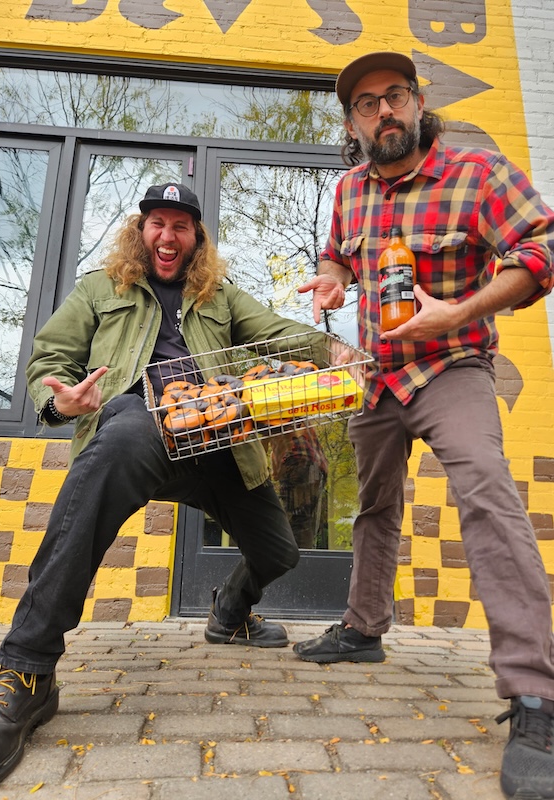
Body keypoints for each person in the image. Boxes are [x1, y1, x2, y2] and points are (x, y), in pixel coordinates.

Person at [0, 182, 327, 798]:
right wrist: (61, 396)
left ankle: (229, 610)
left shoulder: (222, 298)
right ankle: (24, 673)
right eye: (158, 222)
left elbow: (281, 332)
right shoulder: (102, 290)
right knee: (124, 437)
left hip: (218, 438)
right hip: (137, 427)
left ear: (196, 239)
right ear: (141, 230)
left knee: (280, 552)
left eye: (181, 226)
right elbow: (49, 356)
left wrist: (340, 347)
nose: (168, 235)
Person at [294, 51, 554, 800]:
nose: (384, 112)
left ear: (416, 102)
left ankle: (534, 692)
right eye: (367, 104)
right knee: (374, 505)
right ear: (352, 123)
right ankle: (363, 629)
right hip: (377, 378)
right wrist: (335, 279)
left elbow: (540, 250)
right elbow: (339, 255)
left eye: (394, 96)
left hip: (453, 367)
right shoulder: (348, 190)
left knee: (486, 489)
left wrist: (465, 309)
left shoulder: (476, 175)